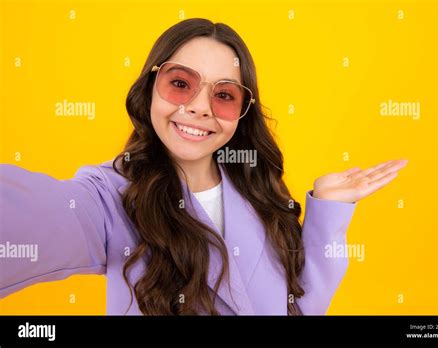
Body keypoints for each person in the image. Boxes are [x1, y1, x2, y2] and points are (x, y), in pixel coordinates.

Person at [0, 18, 408, 315]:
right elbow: (30, 215)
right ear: (150, 88)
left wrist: (327, 212)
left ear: (241, 111)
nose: (197, 107)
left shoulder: (257, 192)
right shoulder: (111, 197)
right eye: (180, 83)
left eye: (224, 95)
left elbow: (302, 305)